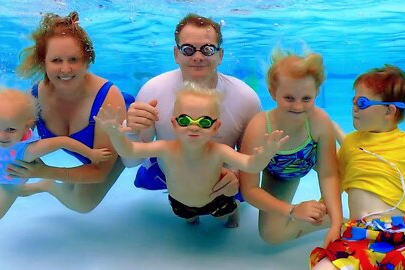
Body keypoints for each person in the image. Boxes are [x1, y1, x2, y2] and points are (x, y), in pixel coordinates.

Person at [310, 65, 405, 269]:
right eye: (354, 100)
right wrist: (323, 207)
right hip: (355, 234)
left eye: (362, 102)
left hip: (398, 236)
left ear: (389, 111)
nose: (354, 107)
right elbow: (337, 180)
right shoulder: (350, 143)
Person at [95, 83, 287, 227]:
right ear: (174, 124)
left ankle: (233, 213)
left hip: (215, 199)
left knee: (222, 215)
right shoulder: (165, 148)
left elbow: (250, 165)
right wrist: (115, 134)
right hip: (179, 201)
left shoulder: (219, 151)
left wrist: (266, 153)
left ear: (215, 127)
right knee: (188, 217)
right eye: (185, 120)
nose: (193, 126)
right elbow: (130, 151)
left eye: (203, 122)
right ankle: (193, 215)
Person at [4, 11, 134, 213]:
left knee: (82, 204)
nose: (65, 69)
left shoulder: (107, 97)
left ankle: (47, 187)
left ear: (87, 60)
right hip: (91, 154)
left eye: (74, 59)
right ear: (43, 62)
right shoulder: (35, 97)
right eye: (56, 60)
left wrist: (46, 174)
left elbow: (99, 171)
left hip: (120, 148)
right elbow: (10, 128)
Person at [124, 13, 261, 200]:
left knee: (237, 199)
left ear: (220, 55)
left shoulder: (246, 99)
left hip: (221, 181)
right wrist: (131, 129)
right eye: (188, 49)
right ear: (176, 54)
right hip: (169, 177)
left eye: (208, 49)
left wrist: (237, 176)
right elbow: (131, 161)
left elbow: (252, 163)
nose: (198, 57)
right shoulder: (152, 91)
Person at [239, 50, 342, 247]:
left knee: (352, 168)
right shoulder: (260, 127)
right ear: (272, 92)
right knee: (272, 235)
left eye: (306, 98)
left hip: (316, 161)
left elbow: (329, 174)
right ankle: (332, 218)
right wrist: (293, 210)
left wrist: (335, 225)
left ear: (316, 94)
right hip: (281, 174)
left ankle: (355, 217)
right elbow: (249, 189)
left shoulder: (319, 121)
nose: (297, 106)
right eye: (289, 98)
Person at [0, 88, 112, 221]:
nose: (1, 135)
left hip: (12, 176)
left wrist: (91, 153)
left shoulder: (29, 151)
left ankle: (44, 185)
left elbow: (63, 141)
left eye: (11, 130)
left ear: (26, 127)